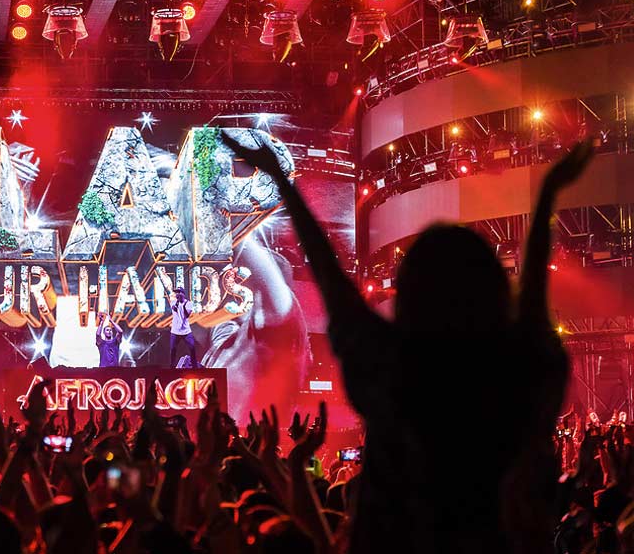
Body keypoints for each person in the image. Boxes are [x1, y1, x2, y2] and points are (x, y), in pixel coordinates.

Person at [223, 129, 595, 554]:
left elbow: (330, 278)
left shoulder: (394, 373)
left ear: (409, 295)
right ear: (495, 291)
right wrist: (547, 195)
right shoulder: (519, 376)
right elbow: (531, 306)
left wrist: (279, 179)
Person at [169, 287, 197, 368]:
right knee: (173, 349)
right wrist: (178, 302)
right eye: (176, 293)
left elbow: (186, 315)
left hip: (186, 331)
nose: (177, 294)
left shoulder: (189, 303)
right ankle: (172, 367)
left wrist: (184, 306)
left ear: (183, 294)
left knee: (192, 348)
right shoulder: (173, 302)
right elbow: (174, 309)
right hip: (175, 331)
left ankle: (195, 366)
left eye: (179, 292)